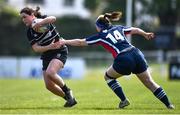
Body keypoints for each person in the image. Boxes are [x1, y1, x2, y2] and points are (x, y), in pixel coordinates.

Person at [58, 11, 174, 109]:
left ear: (99, 26)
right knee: (150, 82)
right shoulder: (119, 28)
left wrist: (65, 41)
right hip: (136, 53)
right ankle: (169, 105)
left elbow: (80, 42)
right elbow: (135, 30)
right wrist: (145, 34)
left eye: (96, 26)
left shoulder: (100, 36)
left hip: (124, 58)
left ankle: (124, 100)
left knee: (108, 77)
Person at [19, 6, 77, 107]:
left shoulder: (44, 20)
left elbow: (53, 18)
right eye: (21, 18)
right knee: (49, 86)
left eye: (24, 17)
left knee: (51, 72)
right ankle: (69, 99)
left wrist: (40, 23)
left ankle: (68, 91)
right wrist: (50, 46)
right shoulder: (29, 32)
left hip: (60, 50)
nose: (23, 20)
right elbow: (36, 48)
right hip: (47, 54)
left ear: (32, 15)